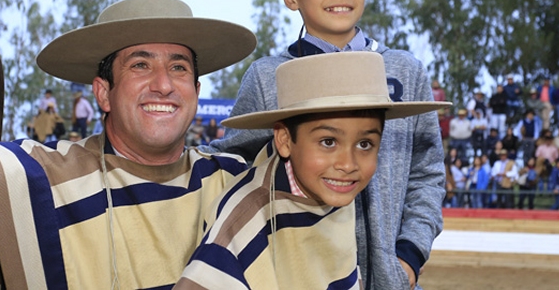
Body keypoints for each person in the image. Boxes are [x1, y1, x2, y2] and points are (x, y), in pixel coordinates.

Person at [0, 0, 257, 288]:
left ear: (195, 89)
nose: (163, 84)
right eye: (140, 65)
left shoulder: (238, 187)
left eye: (178, 67)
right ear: (103, 93)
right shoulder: (45, 179)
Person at [205, 0, 443, 290]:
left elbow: (427, 173)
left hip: (391, 280)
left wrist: (409, 256)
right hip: (302, 274)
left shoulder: (405, 72)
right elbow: (233, 165)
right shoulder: (269, 77)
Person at [175, 52, 448, 289]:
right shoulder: (243, 227)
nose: (348, 164)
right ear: (284, 140)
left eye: (365, 144)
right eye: (328, 142)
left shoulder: (331, 191)